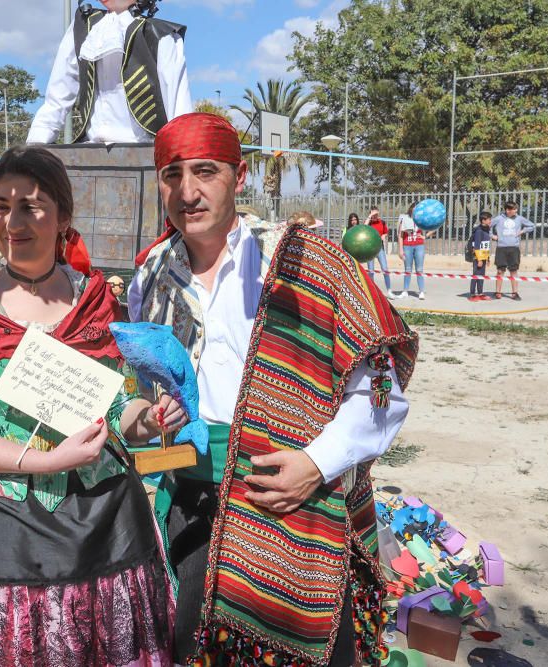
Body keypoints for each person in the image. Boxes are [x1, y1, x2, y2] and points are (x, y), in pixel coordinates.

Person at [129, 113, 418, 666]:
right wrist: (146, 417)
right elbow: (146, 387)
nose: (187, 192)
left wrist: (317, 461)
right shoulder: (150, 274)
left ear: (239, 178)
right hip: (191, 501)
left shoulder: (307, 259)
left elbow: (382, 385)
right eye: (171, 175)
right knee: (193, 646)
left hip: (295, 500)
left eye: (205, 172)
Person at [0, 145, 181, 666]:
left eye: (30, 206)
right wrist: (44, 461)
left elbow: (118, 408)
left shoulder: (98, 302)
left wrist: (147, 420)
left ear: (63, 217)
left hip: (104, 525)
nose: (12, 221)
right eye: (1, 205)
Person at [27, 0, 192, 144]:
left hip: (146, 151)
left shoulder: (163, 36)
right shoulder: (82, 27)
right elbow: (58, 95)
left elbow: (179, 110)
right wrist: (37, 141)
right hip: (90, 151)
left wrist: (182, 154)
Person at [491, 201, 534, 300]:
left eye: (516, 209)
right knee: (500, 271)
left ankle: (515, 293)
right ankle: (498, 292)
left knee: (513, 271)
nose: (515, 211)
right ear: (507, 210)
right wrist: (492, 236)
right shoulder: (499, 219)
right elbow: (487, 226)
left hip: (514, 248)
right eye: (513, 209)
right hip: (501, 248)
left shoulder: (519, 218)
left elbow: (532, 226)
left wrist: (523, 231)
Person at [395, 202, 434, 300]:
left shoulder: (422, 219)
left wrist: (425, 236)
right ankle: (405, 291)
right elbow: (400, 235)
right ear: (411, 208)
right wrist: (400, 250)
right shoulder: (404, 218)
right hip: (407, 246)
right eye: (414, 208)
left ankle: (421, 292)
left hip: (419, 246)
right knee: (407, 269)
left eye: (418, 209)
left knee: (419, 270)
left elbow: (434, 227)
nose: (415, 210)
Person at [365, 206, 394, 297]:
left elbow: (386, 232)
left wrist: (384, 235)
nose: (375, 216)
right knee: (371, 271)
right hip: (370, 250)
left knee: (385, 269)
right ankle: (372, 292)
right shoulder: (368, 223)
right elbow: (363, 227)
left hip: (379, 248)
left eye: (376, 214)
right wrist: (370, 216)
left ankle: (389, 291)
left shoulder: (382, 222)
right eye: (373, 214)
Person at [468, 212, 493, 302]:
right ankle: (472, 294)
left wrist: (488, 258)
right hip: (478, 257)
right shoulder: (479, 231)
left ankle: (480, 293)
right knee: (476, 275)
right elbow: (477, 246)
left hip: (484, 257)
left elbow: (485, 245)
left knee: (481, 276)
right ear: (483, 220)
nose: (490, 221)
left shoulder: (486, 230)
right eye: (489, 219)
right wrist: (479, 259)